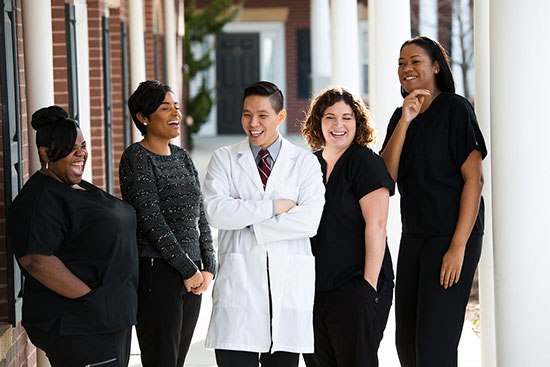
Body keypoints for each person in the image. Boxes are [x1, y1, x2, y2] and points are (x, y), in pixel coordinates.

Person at [380, 36, 487, 367]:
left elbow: (475, 179)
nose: (406, 68)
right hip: (415, 238)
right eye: (401, 63)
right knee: (407, 345)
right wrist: (406, 120)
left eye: (415, 61)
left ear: (436, 66)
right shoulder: (401, 117)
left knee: (434, 348)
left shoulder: (455, 109)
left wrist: (457, 248)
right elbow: (387, 175)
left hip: (451, 235)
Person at [203, 81, 325, 367]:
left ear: (280, 117)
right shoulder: (224, 159)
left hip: (286, 291)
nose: (253, 123)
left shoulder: (304, 163)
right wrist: (276, 208)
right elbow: (216, 213)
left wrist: (248, 221)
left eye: (262, 115)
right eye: (247, 114)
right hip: (239, 291)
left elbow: (309, 221)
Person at [7, 106, 138, 366]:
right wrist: (92, 301)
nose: (81, 153)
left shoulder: (75, 186)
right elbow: (36, 259)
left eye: (83, 145)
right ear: (45, 153)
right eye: (70, 147)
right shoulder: (39, 198)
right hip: (81, 325)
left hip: (107, 318)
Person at [119, 80, 216, 367]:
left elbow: (200, 213)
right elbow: (152, 221)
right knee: (162, 360)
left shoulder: (183, 156)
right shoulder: (136, 157)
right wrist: (188, 268)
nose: (175, 112)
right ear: (143, 117)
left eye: (176, 106)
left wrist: (209, 264)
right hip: (157, 274)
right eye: (165, 107)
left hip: (192, 278)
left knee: (177, 360)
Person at [300, 87, 395, 367]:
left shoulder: (365, 162)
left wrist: (367, 287)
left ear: (358, 123)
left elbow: (377, 226)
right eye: (329, 117)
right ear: (318, 122)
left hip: (355, 286)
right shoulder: (309, 165)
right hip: (314, 288)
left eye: (346, 117)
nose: (338, 125)